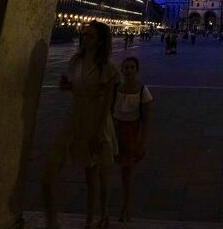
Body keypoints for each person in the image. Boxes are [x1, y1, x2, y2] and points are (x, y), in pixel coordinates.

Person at [43, 22, 120, 229]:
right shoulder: (75, 60)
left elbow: (107, 105)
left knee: (91, 174)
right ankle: (53, 222)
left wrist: (97, 134)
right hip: (74, 118)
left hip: (96, 122)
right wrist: (65, 86)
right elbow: (75, 86)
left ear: (101, 40)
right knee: (50, 167)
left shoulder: (108, 67)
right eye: (84, 34)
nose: (84, 39)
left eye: (90, 36)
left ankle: (92, 219)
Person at [112, 56, 153, 223]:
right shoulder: (115, 90)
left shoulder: (143, 91)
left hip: (131, 133)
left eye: (132, 67)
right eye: (126, 67)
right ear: (121, 70)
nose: (128, 70)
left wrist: (142, 140)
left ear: (137, 70)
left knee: (126, 172)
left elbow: (146, 119)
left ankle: (125, 207)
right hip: (114, 131)